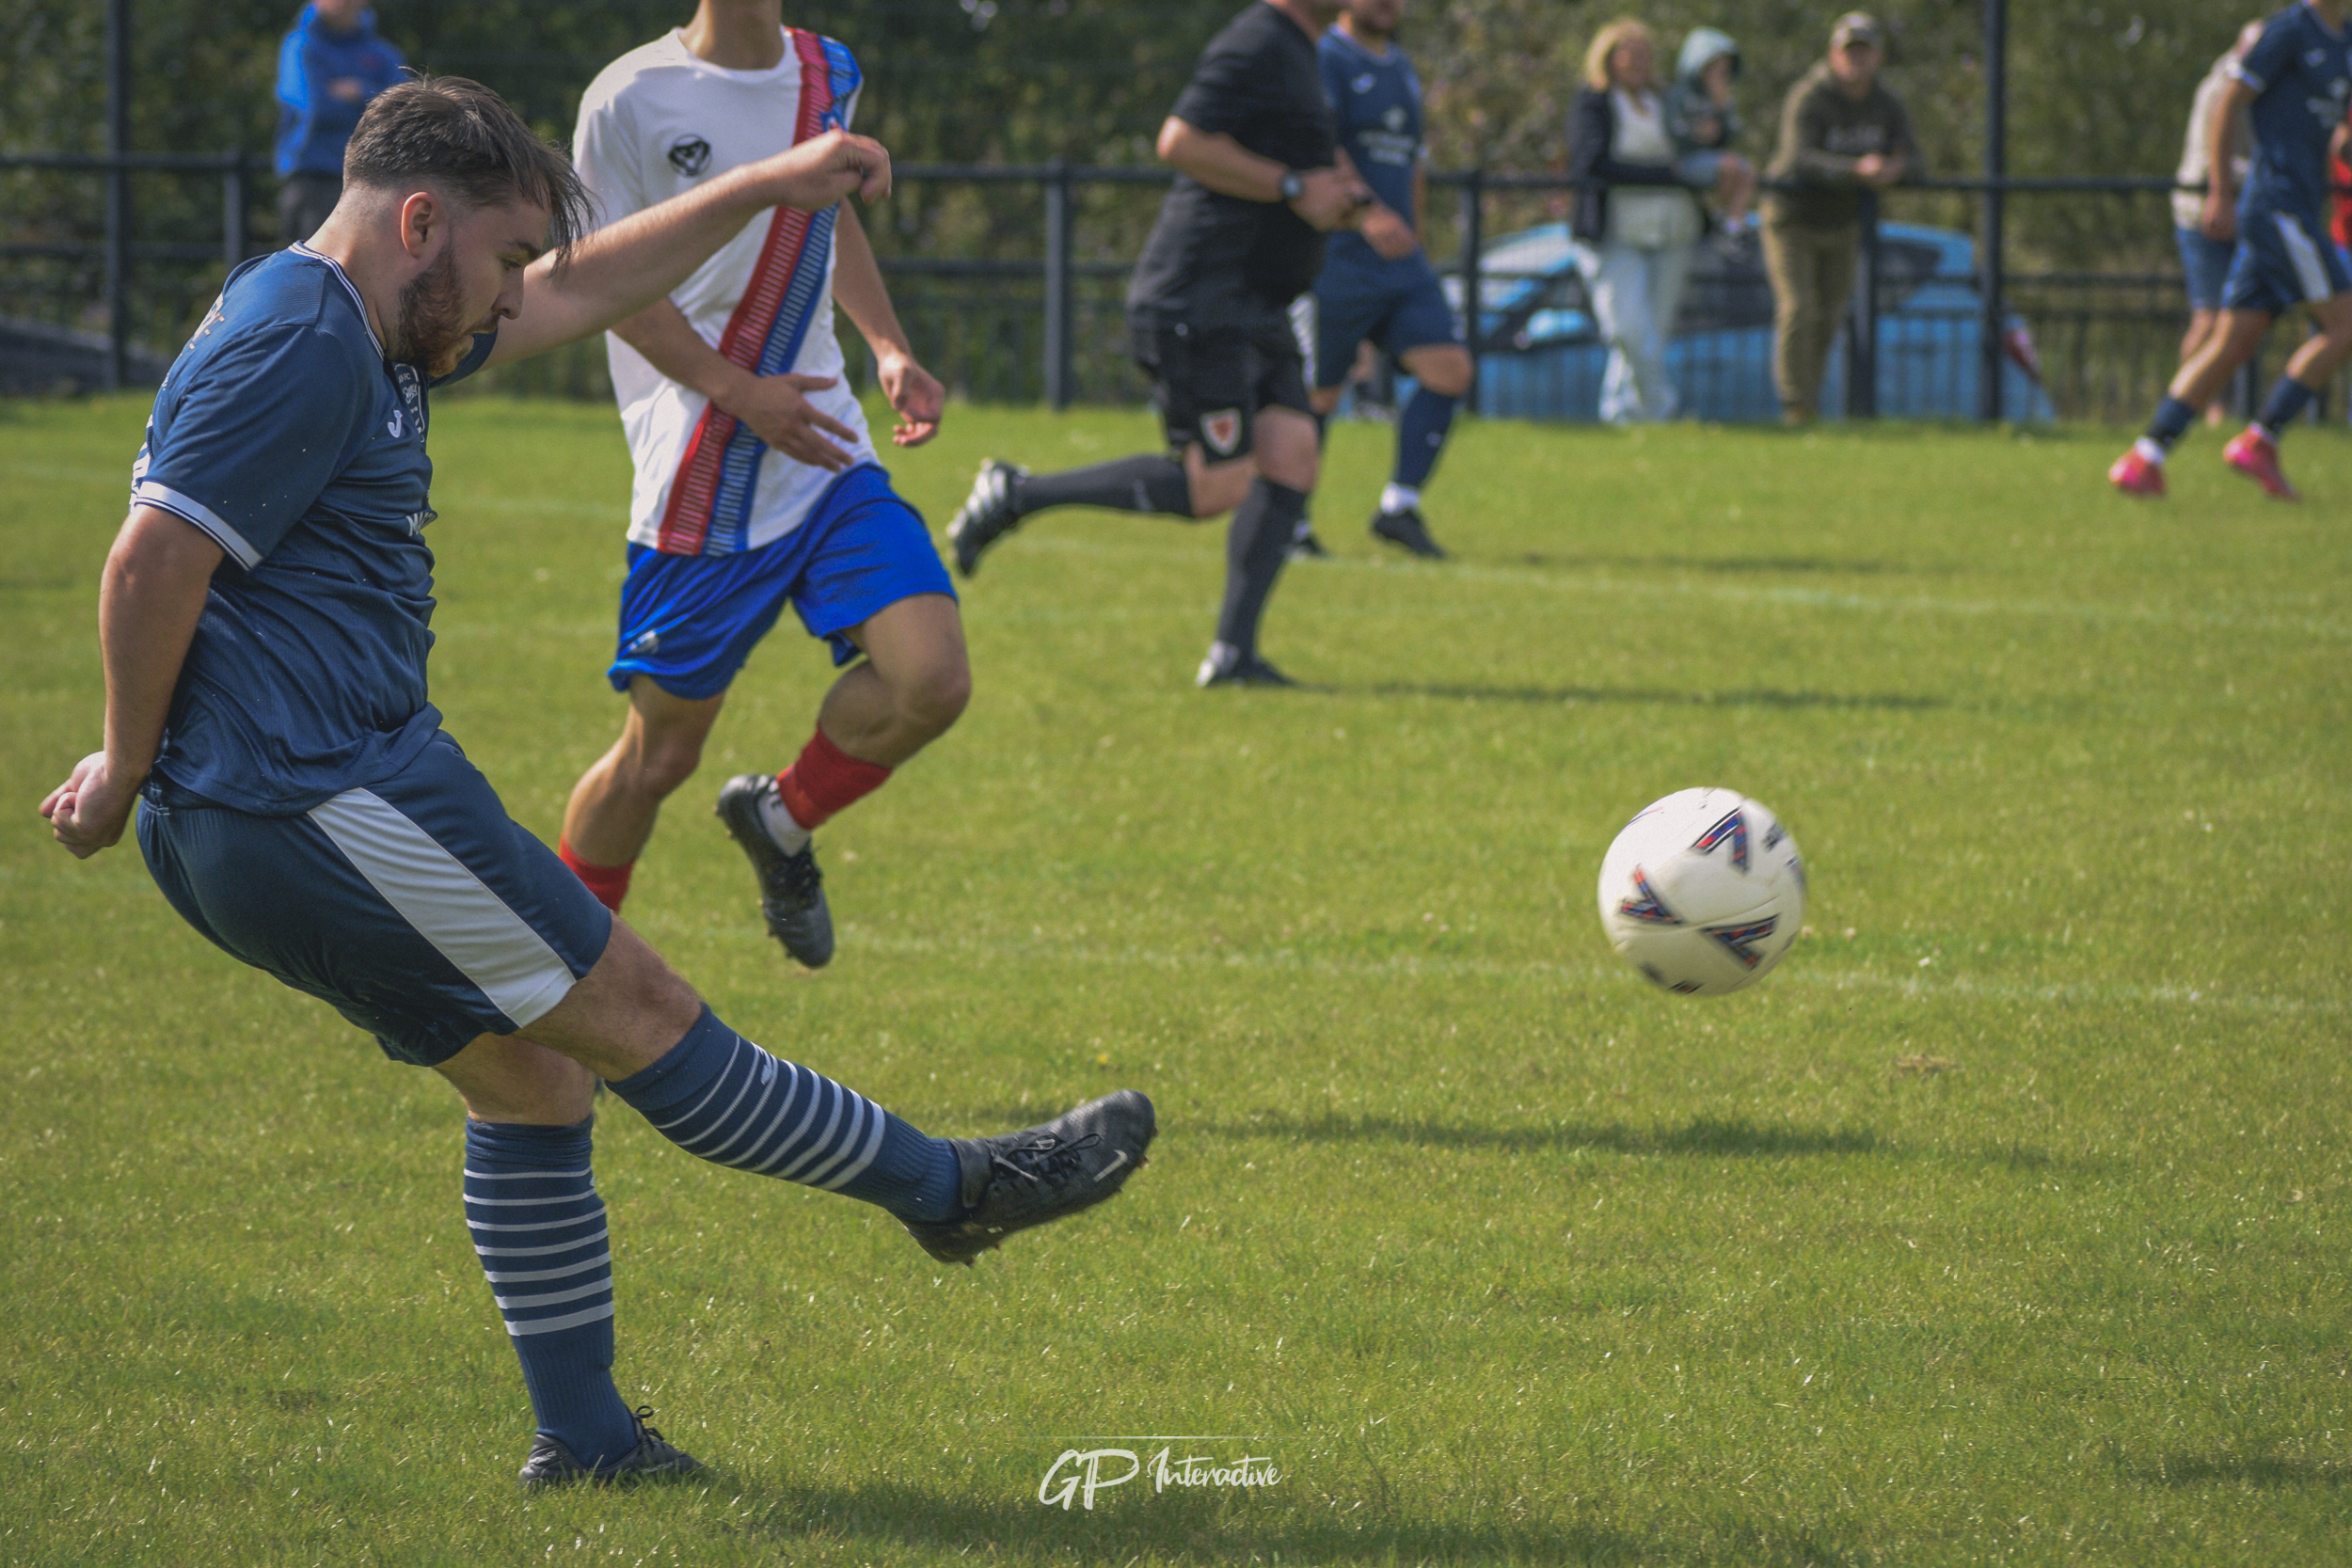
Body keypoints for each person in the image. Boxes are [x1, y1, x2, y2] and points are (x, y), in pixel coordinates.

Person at [40, 77, 1154, 1490]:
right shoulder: (302, 338)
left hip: (288, 802)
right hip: (316, 795)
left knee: (534, 1079)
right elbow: (150, 560)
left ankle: (588, 1443)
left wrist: (762, 188)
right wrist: (125, 767)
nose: (514, 299)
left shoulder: (363, 312)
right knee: (640, 1011)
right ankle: (960, 1188)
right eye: (500, 260)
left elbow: (578, 290)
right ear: (422, 219)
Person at [560, 0, 958, 974]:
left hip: (823, 447)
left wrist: (889, 346)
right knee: (656, 758)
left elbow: (827, 223)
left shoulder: (830, 71)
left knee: (932, 679)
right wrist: (740, 393)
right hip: (701, 468)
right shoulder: (627, 98)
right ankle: (555, 983)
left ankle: (779, 819)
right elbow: (601, 283)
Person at [945, 0, 1391, 689]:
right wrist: (1295, 186)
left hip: (1258, 303)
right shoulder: (1256, 40)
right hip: (1200, 299)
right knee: (1214, 485)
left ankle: (1233, 656)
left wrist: (1349, 200)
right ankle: (1017, 492)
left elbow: (1303, 158)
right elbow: (1179, 141)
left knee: (1294, 453)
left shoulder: (1302, 50)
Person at [2111, 0, 2352, 501]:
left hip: (2299, 205)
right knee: (2345, 323)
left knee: (2232, 342)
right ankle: (2262, 438)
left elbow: (2335, 136)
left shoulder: (2343, 39)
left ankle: (2144, 456)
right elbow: (2228, 102)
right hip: (2279, 207)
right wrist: (2220, 190)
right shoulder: (2288, 31)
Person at [1302, 0, 1471, 560]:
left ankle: (1399, 506)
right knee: (1319, 394)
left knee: (1449, 369)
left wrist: (1415, 240)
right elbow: (1318, 143)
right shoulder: (1326, 56)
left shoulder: (1401, 66)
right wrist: (1366, 210)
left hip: (1400, 261)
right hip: (1339, 254)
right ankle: (1289, 522)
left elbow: (1414, 164)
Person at [1760, 11, 1916, 424]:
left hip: (1841, 222)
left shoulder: (1886, 102)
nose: (1857, 60)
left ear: (1878, 57)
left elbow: (1914, 157)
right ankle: (1795, 406)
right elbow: (1798, 159)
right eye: (1849, 51)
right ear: (1834, 54)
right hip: (1791, 217)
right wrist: (1854, 170)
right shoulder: (1810, 96)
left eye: (1865, 52)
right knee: (1798, 307)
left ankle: (1809, 401)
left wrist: (1896, 168)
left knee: (1830, 313)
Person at [1567, 18, 1705, 425]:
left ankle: (1624, 415)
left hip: (1671, 229)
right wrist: (1667, 175)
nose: (1641, 62)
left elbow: (1695, 152)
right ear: (1609, 58)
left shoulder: (1668, 103)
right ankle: (1663, 409)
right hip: (1615, 231)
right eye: (1632, 53)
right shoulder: (1593, 102)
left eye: (1647, 54)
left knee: (1653, 334)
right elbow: (1591, 162)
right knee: (1627, 329)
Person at [2175, 21, 2265, 422]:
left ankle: (2208, 406)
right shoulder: (2224, 88)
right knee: (2209, 317)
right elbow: (2217, 158)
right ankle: (2184, 402)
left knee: (2239, 320)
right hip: (2204, 213)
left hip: (2238, 208)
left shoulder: (2257, 87)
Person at [274, 0, 407, 245]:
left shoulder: (382, 53)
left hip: (376, 180)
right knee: (313, 274)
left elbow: (405, 112)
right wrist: (375, 102)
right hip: (315, 179)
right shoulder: (300, 47)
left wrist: (360, 91)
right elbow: (316, 109)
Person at [1666, 26, 1756, 230]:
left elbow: (1733, 133)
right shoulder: (1680, 96)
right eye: (1713, 67)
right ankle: (1718, 215)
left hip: (1716, 160)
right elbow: (1674, 130)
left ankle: (1732, 223)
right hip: (1685, 161)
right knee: (1729, 166)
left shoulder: (1723, 99)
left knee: (1747, 171)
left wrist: (1721, 112)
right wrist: (1696, 133)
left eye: (1724, 70)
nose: (1718, 74)